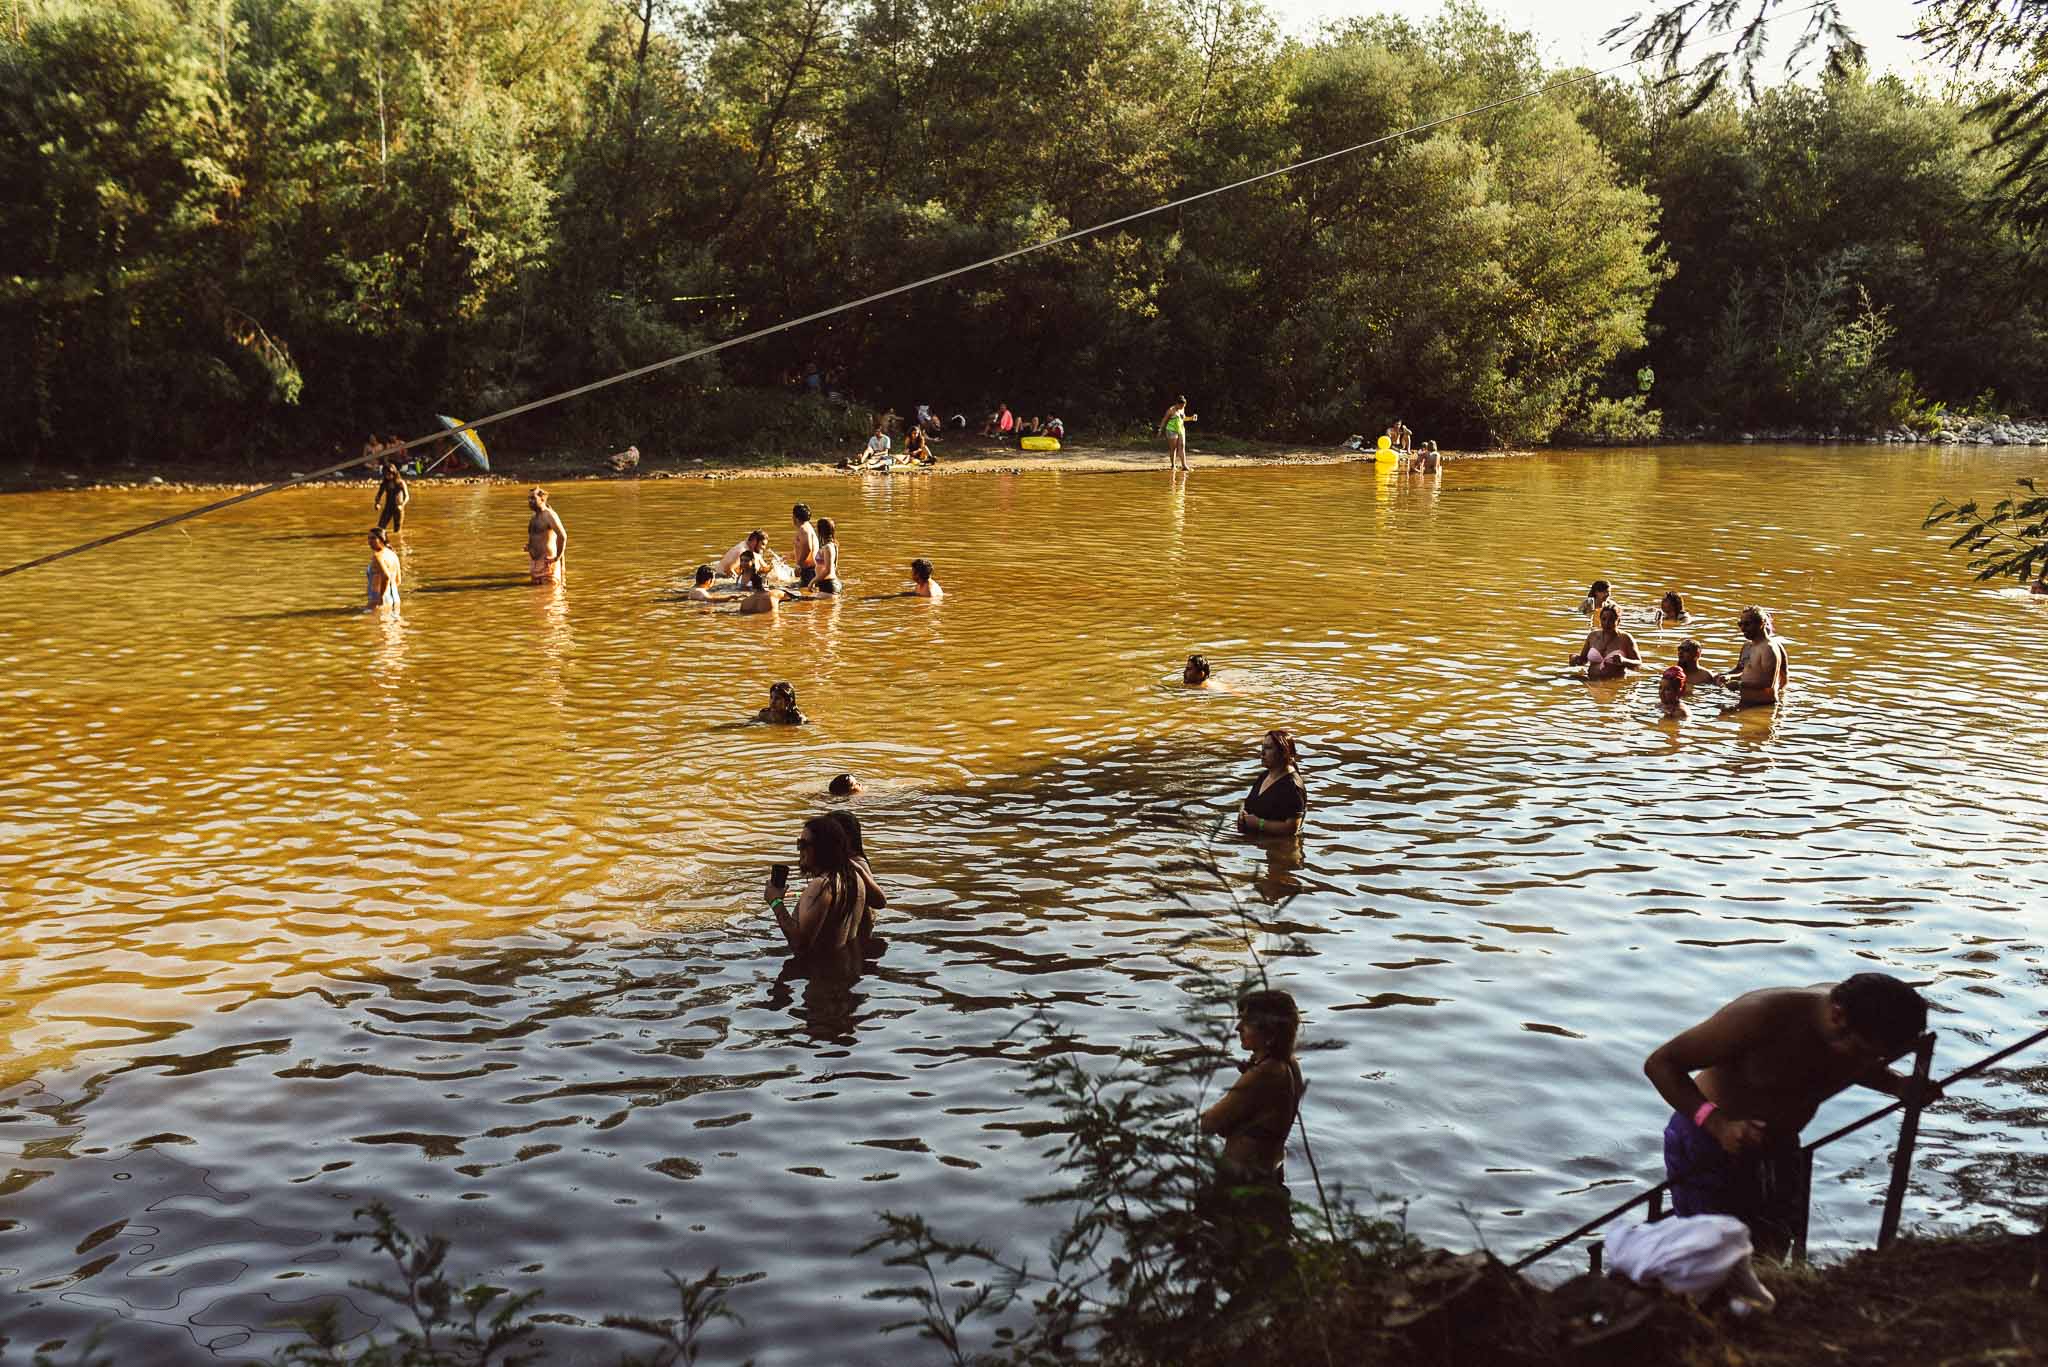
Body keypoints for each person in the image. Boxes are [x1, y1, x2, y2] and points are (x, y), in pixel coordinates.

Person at [1644, 973, 1933, 1257]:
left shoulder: (1856, 1033)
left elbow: (1857, 1064)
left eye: (1877, 1057)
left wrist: (1896, 1084)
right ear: (1837, 1016)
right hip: (1709, 1141)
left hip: (1779, 1146)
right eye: (1861, 1051)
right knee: (1715, 1252)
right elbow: (1661, 1064)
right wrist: (1719, 1125)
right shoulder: (1761, 1015)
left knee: (1774, 1243)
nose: (1867, 1062)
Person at [1197, 989, 1307, 1277]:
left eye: (1245, 1022)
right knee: (1265, 1255)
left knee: (1232, 1259)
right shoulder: (1289, 1065)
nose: (1237, 1028)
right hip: (1269, 1175)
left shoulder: (1265, 1073)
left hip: (1242, 1183)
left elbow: (1209, 1123)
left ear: (1268, 1031)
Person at [764, 814, 867, 962]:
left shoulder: (822, 885)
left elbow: (800, 944)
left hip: (822, 980)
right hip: (846, 974)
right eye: (798, 843)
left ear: (822, 848)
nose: (799, 850)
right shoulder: (854, 879)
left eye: (804, 844)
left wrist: (775, 902)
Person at [825, 807, 887, 940]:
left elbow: (880, 902)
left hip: (858, 937)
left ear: (847, 838)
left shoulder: (856, 863)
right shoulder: (842, 861)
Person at [1237, 730, 1305, 837]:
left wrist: (1259, 823)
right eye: (1262, 748)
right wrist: (1242, 812)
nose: (1262, 753)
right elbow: (1248, 802)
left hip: (1280, 848)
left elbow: (1292, 828)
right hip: (1257, 844)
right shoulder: (1264, 775)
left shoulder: (1292, 786)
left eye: (1268, 748)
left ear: (1283, 753)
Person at [1723, 605, 1788, 708]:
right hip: (1747, 704)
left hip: (1763, 706)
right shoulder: (1750, 645)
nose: (1743, 628)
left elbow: (1768, 683)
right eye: (1740, 624)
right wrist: (1731, 677)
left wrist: (1739, 685)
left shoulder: (1768, 648)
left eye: (1747, 624)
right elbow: (1753, 674)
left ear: (1761, 624)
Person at [1571, 603, 1643, 679]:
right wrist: (1575, 659)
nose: (1607, 623)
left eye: (1611, 620)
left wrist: (1624, 661)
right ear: (1600, 619)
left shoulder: (1626, 638)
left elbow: (1638, 664)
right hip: (1591, 682)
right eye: (1604, 619)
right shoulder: (1592, 636)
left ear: (1618, 621)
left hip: (1614, 684)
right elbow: (1583, 660)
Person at [527, 488, 567, 584]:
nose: (529, 501)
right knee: (537, 596)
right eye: (528, 498)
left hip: (548, 565)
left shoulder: (549, 515)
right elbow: (537, 537)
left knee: (550, 595)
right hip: (535, 565)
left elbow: (562, 536)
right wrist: (530, 547)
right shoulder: (533, 517)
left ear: (542, 499)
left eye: (533, 498)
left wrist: (557, 557)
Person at [365, 529, 401, 612]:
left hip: (379, 599)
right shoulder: (393, 554)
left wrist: (380, 596)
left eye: (373, 538)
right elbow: (398, 580)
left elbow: (386, 576)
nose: (370, 541)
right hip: (395, 599)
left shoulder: (377, 556)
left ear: (382, 539)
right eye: (369, 538)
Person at [373, 459, 409, 538]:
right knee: (380, 529)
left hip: (398, 509)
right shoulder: (384, 484)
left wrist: (402, 505)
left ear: (394, 473)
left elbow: (407, 496)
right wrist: (377, 503)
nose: (388, 476)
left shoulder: (400, 483)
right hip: (388, 508)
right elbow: (378, 495)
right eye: (386, 474)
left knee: (397, 531)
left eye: (389, 474)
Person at [1158, 396, 1195, 472]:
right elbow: (1164, 420)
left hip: (1181, 429)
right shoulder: (1171, 410)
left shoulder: (1182, 409)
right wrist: (1160, 429)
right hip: (1171, 430)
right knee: (1173, 448)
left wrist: (1191, 418)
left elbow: (1183, 418)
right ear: (1177, 404)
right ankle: (1173, 466)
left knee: (1182, 446)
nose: (1182, 407)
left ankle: (1184, 466)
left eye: (1184, 406)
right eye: (1181, 406)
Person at [790, 504, 820, 587]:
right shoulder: (807, 527)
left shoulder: (803, 529)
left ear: (795, 517)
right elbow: (803, 548)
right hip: (810, 570)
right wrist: (787, 556)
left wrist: (798, 565)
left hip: (809, 571)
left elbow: (808, 549)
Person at [813, 518, 842, 594]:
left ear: (821, 531)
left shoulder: (827, 547)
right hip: (830, 584)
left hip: (828, 585)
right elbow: (835, 567)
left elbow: (827, 570)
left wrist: (812, 582)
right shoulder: (834, 545)